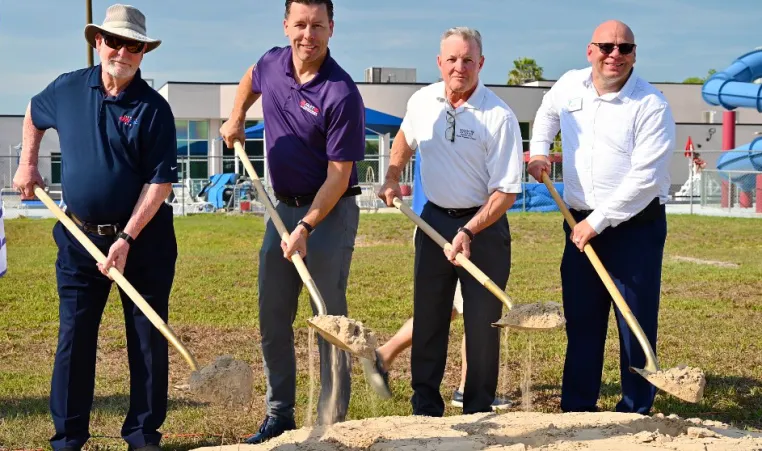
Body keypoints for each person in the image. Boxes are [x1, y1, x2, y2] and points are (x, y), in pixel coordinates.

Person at [12, 4, 177, 450]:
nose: (123, 51)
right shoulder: (67, 89)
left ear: (144, 53)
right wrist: (28, 164)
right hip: (78, 237)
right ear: (98, 42)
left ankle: (143, 435)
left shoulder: (154, 109)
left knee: (146, 339)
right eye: (115, 41)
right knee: (75, 338)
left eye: (134, 45)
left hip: (144, 243)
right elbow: (32, 112)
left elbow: (159, 182)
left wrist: (126, 238)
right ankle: (68, 438)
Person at [219, 0, 365, 443]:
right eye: (300, 24)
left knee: (327, 318)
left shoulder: (341, 93)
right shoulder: (271, 63)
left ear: (331, 29)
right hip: (281, 208)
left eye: (317, 26)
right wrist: (237, 115)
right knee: (273, 314)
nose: (308, 35)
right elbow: (250, 78)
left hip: (329, 211)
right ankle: (279, 415)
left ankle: (331, 421)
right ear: (286, 26)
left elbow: (339, 177)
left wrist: (307, 227)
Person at [527, 20, 676, 415]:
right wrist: (539, 150)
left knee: (635, 322)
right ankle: (578, 408)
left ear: (634, 55)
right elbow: (545, 113)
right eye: (607, 46)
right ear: (590, 50)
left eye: (625, 48)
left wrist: (600, 220)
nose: (615, 55)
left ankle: (634, 409)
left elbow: (647, 177)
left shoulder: (651, 105)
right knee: (582, 320)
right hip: (577, 222)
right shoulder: (569, 85)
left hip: (634, 228)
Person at [378, 27, 523, 416]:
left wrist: (469, 230)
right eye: (452, 60)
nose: (460, 67)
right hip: (433, 223)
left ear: (481, 63)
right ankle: (425, 408)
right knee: (429, 320)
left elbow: (505, 192)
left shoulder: (499, 116)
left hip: (484, 228)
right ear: (440, 62)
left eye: (468, 60)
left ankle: (476, 413)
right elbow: (404, 139)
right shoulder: (423, 100)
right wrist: (392, 176)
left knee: (481, 327)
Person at [363, 148, 512, 410]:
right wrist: (392, 176)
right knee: (464, 313)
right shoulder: (431, 117)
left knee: (457, 311)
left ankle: (386, 355)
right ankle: (464, 389)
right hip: (438, 229)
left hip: (463, 226)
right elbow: (404, 139)